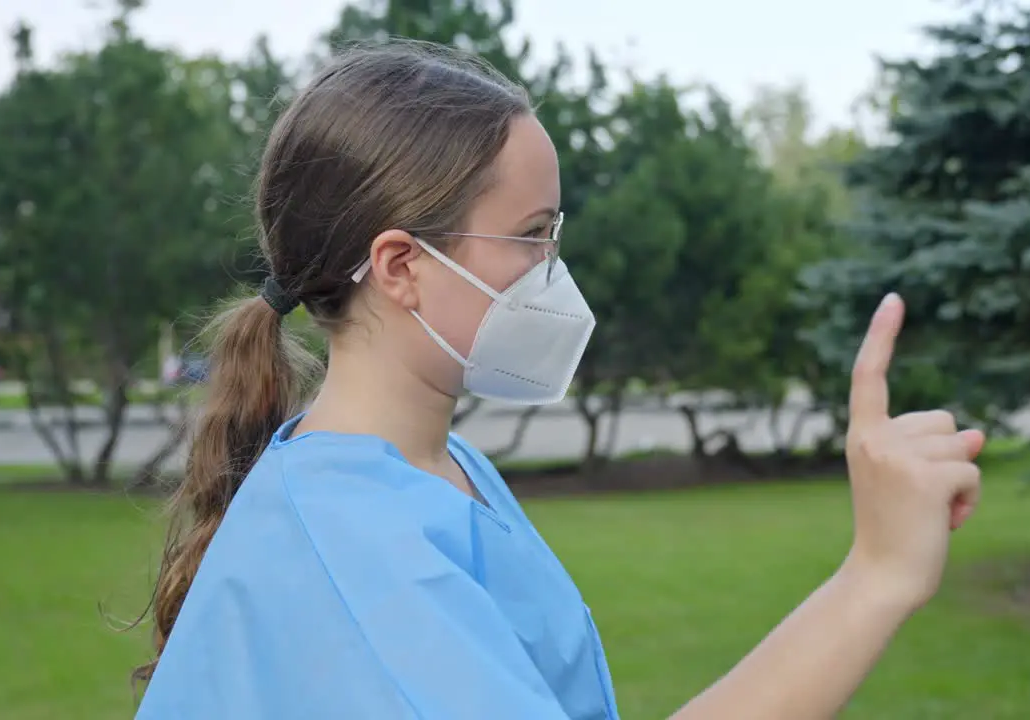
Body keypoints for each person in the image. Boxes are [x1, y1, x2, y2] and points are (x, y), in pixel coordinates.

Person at [133, 40, 984, 720]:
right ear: (400, 266)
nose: (553, 269)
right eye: (532, 234)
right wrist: (876, 575)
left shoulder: (441, 474)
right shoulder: (358, 548)